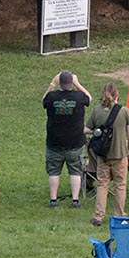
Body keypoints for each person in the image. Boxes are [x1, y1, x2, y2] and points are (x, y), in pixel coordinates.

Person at [85, 82, 129, 227]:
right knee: (120, 185)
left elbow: (86, 129)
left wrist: (97, 132)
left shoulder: (96, 111)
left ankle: (98, 216)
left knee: (102, 184)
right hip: (120, 155)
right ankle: (119, 215)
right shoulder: (124, 111)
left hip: (103, 155)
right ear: (117, 95)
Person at [42, 70, 92, 209]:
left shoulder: (52, 97)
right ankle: (75, 200)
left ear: (60, 83)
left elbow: (43, 100)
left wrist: (52, 83)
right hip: (75, 142)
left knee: (53, 171)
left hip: (54, 142)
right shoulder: (79, 97)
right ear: (71, 83)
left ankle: (53, 199)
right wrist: (77, 83)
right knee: (75, 170)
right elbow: (89, 97)